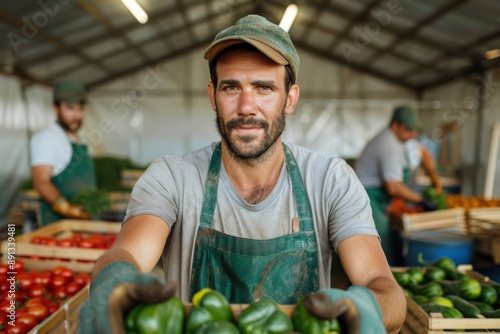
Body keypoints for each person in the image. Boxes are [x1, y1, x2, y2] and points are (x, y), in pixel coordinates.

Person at [79, 15, 405, 333]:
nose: (246, 106)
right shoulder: (172, 178)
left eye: (264, 88)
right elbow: (127, 253)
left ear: (290, 99)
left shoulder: (330, 181)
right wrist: (114, 281)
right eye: (231, 87)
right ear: (213, 96)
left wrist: (367, 305)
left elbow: (383, 286)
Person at [355, 106, 437, 265]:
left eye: (415, 131)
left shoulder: (399, 140)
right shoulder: (388, 144)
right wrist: (421, 200)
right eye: (409, 130)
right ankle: (378, 284)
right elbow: (393, 187)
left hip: (378, 198)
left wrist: (436, 180)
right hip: (367, 197)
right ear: (395, 125)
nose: (413, 135)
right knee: (379, 241)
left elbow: (424, 155)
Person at [30, 81, 96, 225]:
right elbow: (41, 182)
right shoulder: (47, 138)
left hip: (84, 220)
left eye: (80, 109)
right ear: (56, 108)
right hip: (57, 224)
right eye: (70, 108)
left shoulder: (81, 139)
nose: (76, 115)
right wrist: (67, 208)